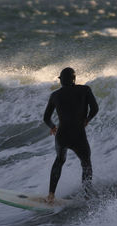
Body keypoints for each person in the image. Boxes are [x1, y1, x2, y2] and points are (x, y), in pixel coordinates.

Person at [43, 67, 99, 203]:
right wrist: (87, 119)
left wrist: (52, 127)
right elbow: (95, 108)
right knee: (86, 164)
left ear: (61, 81)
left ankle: (51, 195)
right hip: (78, 135)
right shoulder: (85, 90)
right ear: (74, 79)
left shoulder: (55, 95)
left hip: (62, 135)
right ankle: (86, 195)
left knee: (59, 161)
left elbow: (46, 118)